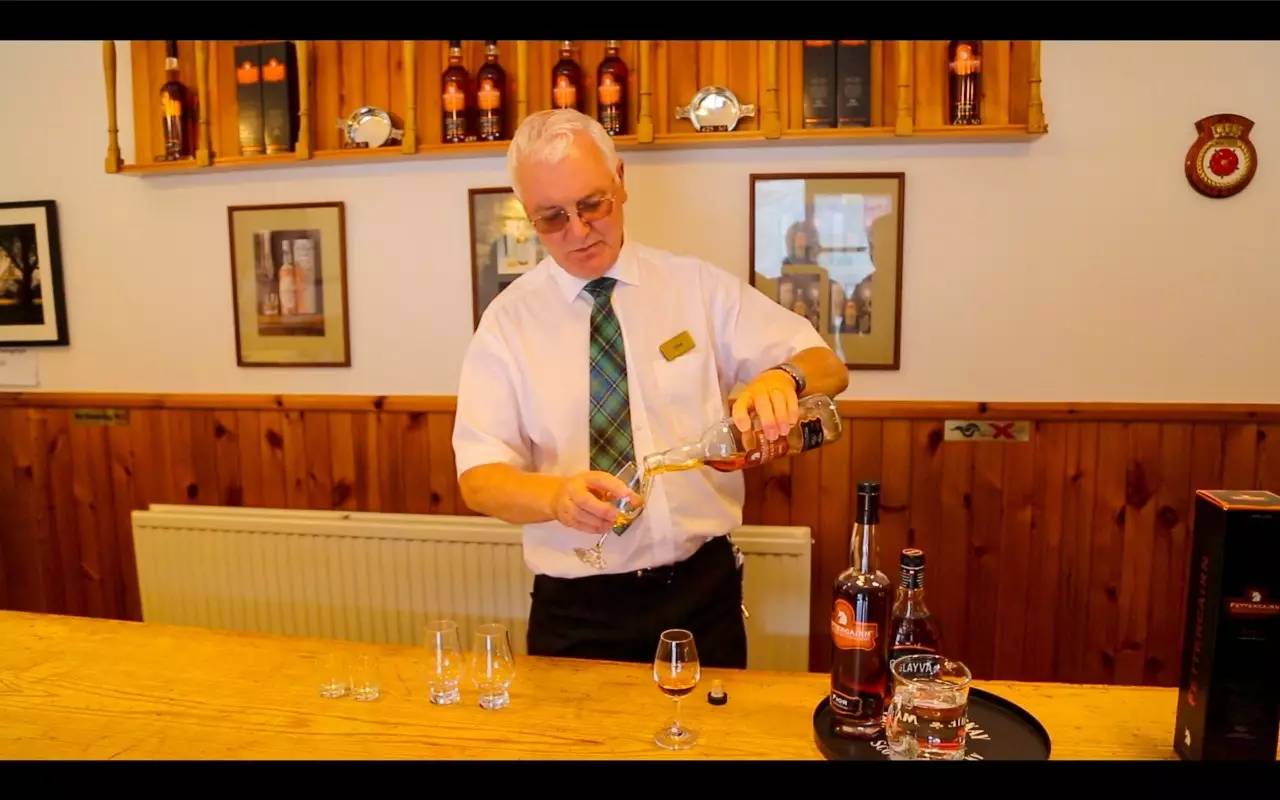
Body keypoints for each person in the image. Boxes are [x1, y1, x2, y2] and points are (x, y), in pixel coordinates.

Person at [451, 109, 848, 669]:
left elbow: (826, 365)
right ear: (527, 212)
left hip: (700, 593)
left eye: (592, 204)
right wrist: (555, 498)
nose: (578, 231)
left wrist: (782, 378)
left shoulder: (694, 287)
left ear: (620, 179)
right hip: (577, 609)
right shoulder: (506, 324)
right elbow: (479, 478)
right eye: (552, 218)